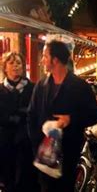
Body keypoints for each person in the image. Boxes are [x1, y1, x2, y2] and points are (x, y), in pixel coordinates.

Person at [28, 40, 97, 191]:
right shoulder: (41, 86)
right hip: (44, 155)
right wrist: (37, 143)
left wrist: (71, 120)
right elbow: (31, 116)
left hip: (68, 152)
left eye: (45, 56)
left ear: (55, 60)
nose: (42, 60)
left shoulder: (79, 86)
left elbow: (95, 115)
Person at [0, 52, 39, 192]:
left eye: (18, 63)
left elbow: (37, 113)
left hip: (27, 144)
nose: (16, 66)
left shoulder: (33, 88)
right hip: (6, 145)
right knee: (9, 183)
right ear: (5, 68)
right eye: (11, 63)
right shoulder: (1, 90)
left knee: (28, 182)